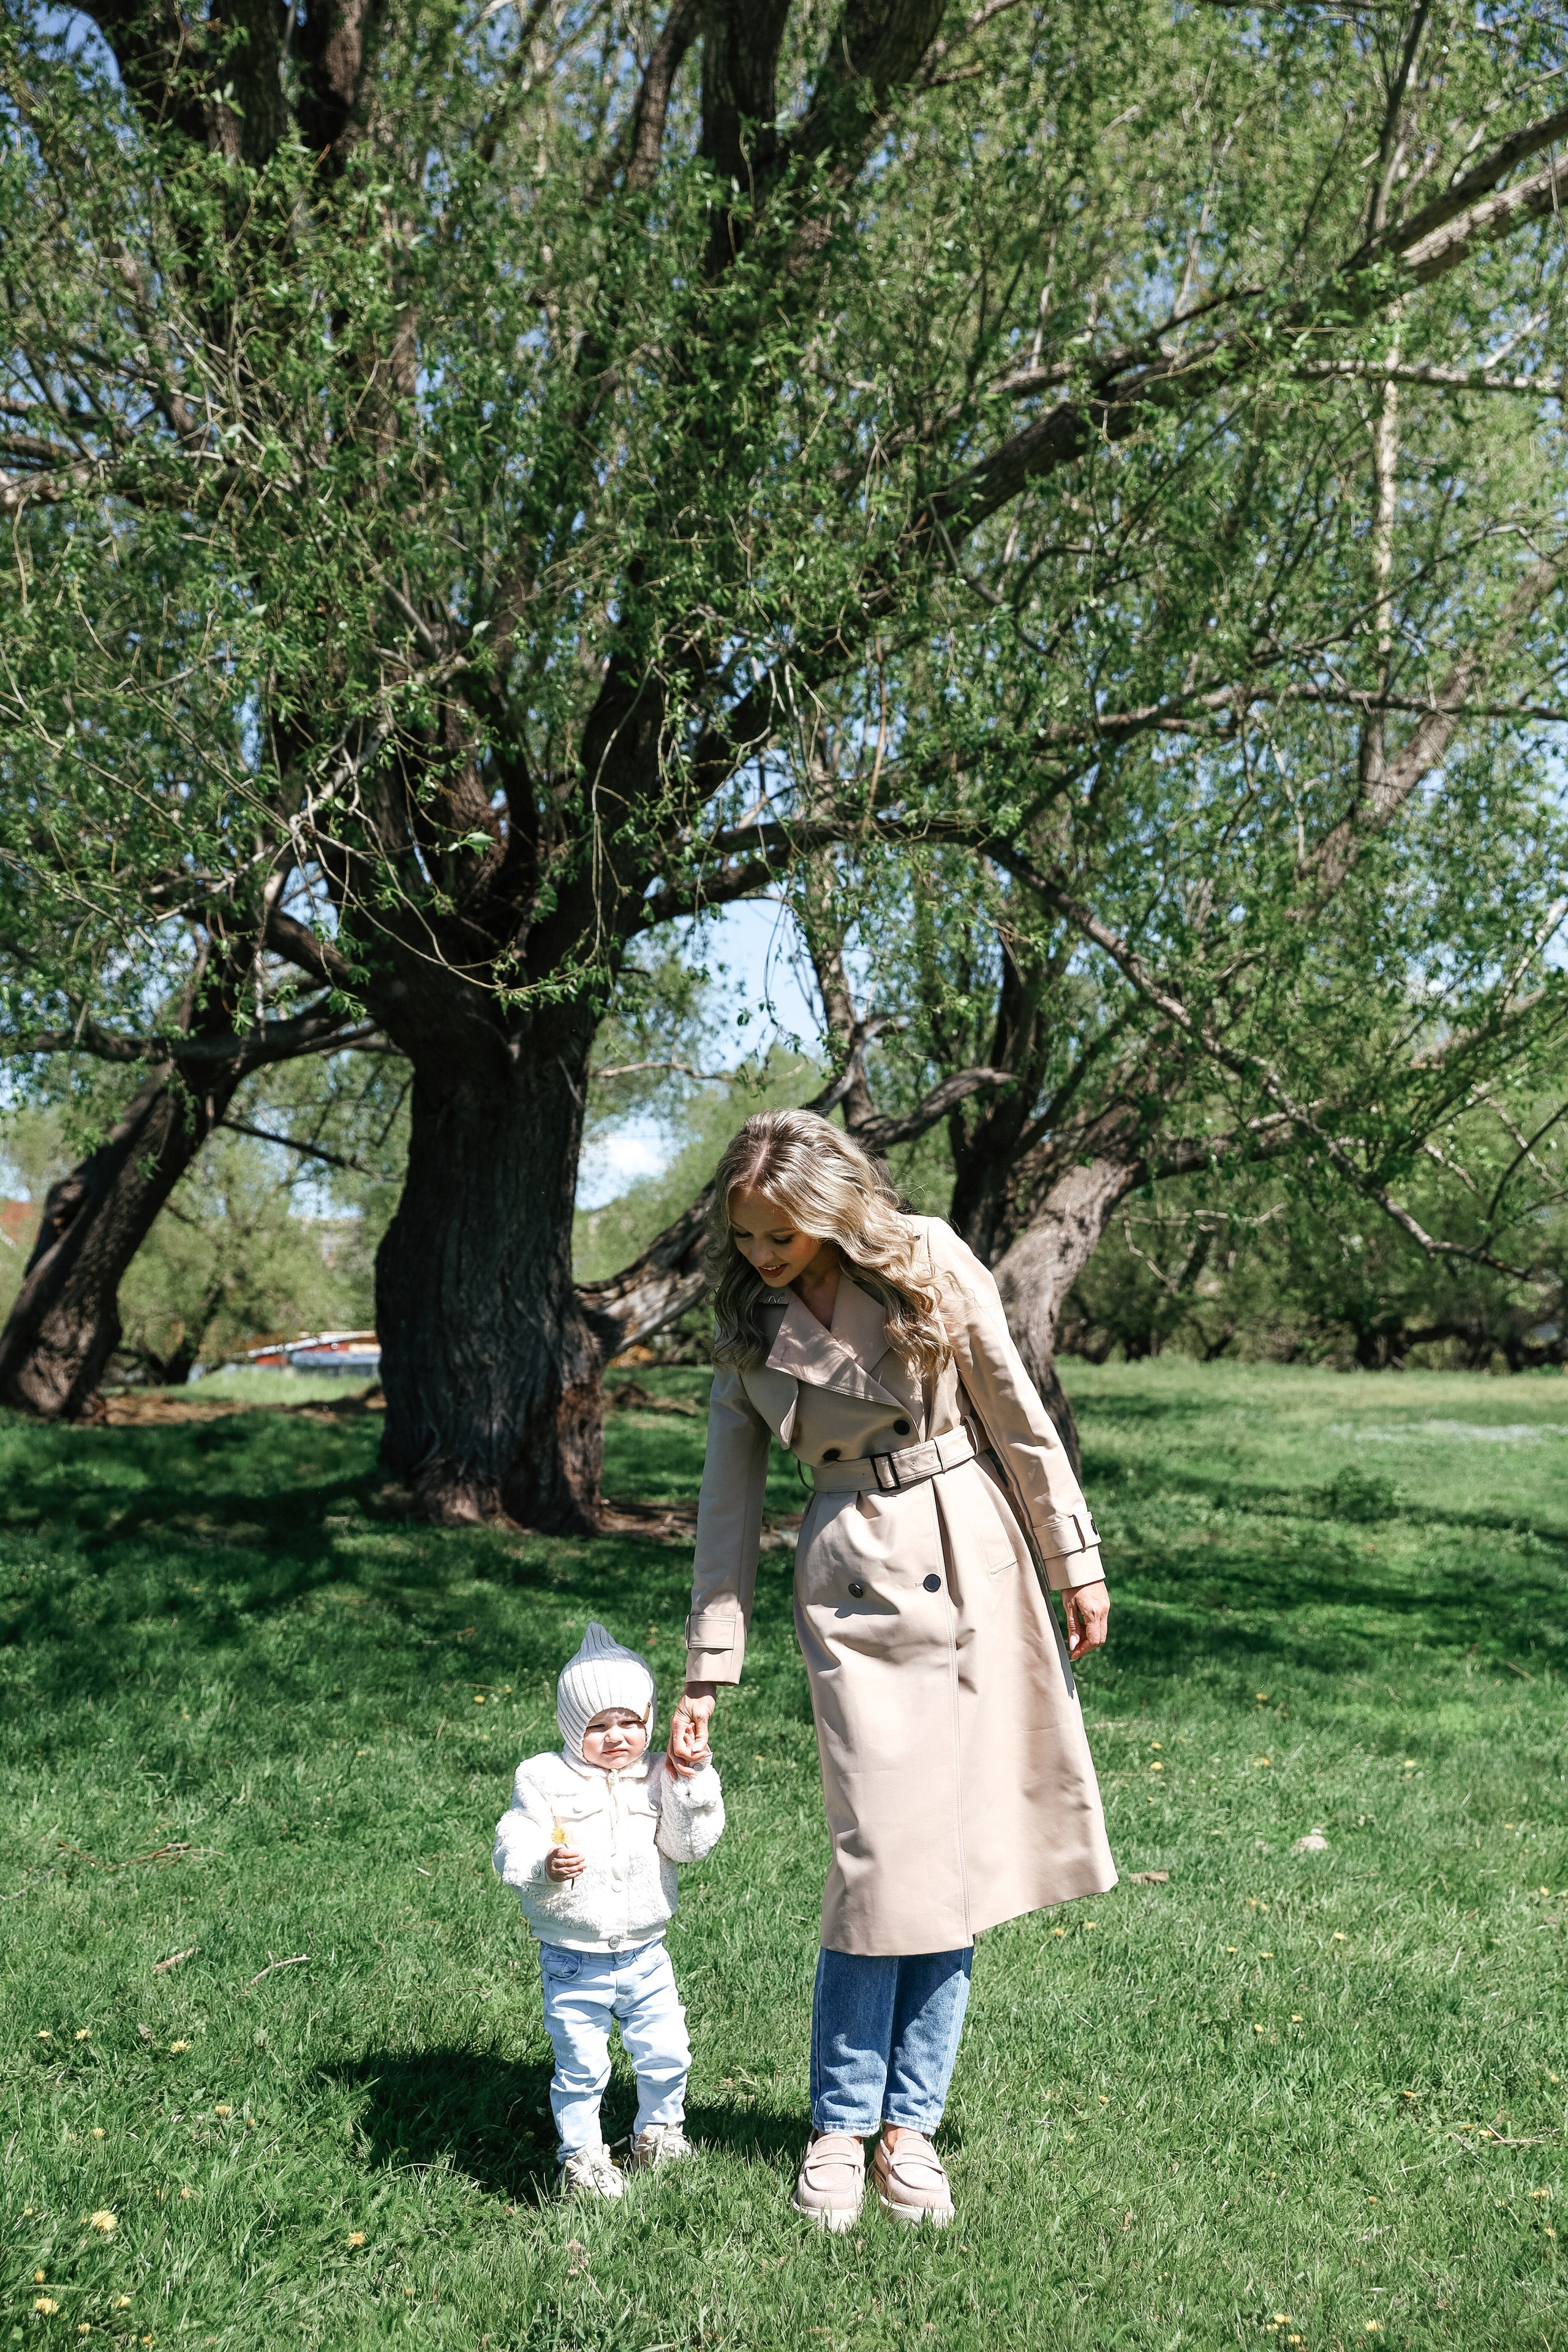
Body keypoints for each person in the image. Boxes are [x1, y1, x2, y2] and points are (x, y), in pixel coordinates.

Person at [664, 1110, 1115, 2231]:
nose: (764, 1255)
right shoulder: (744, 1321)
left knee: (953, 1862)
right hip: (850, 1579)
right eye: (748, 1235)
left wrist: (1075, 1560)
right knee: (880, 1865)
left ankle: (909, 2130)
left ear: (831, 1209)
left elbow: (1019, 1412)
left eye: (783, 1234)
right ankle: (838, 2125)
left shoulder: (927, 1257)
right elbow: (729, 1505)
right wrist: (706, 1669)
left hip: (973, 1557)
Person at [494, 1621, 725, 2199]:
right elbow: (512, 1839)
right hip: (574, 1960)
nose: (618, 1737)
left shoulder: (660, 1773)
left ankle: (658, 2132)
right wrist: (544, 1862)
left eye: (631, 1722)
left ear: (648, 1721)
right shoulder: (543, 1778)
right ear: (574, 1728)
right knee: (582, 2067)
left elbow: (689, 1846)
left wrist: (690, 1777)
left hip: (647, 1952)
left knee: (668, 2051)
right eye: (599, 1726)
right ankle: (584, 2158)